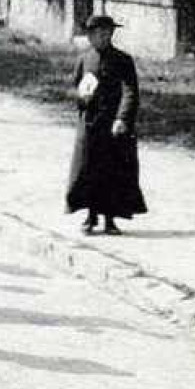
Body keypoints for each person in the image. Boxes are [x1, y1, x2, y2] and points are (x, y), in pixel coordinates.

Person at [65, 14, 147, 235]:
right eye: (98, 33)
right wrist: (81, 96)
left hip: (113, 126)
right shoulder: (84, 59)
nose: (103, 37)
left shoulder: (122, 60)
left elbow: (130, 92)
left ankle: (110, 220)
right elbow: (74, 87)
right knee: (88, 169)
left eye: (107, 33)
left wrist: (122, 118)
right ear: (90, 37)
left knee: (113, 171)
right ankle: (90, 217)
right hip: (90, 124)